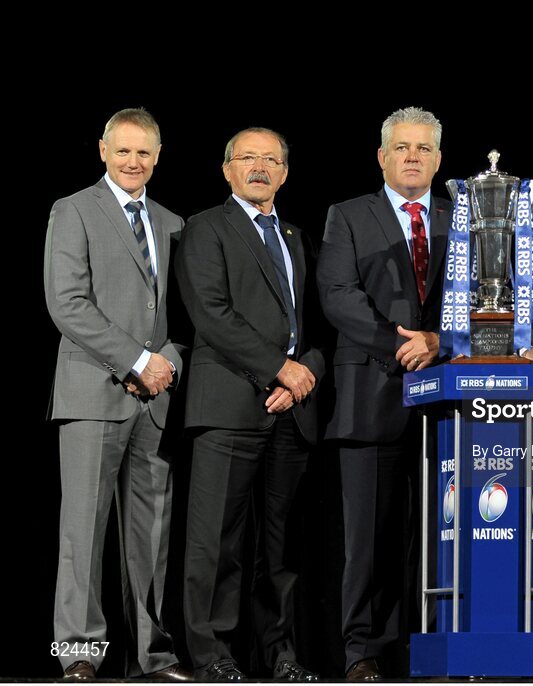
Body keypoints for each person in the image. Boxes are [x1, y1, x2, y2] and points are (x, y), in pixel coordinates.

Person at [44, 108, 190, 682]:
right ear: (103, 150)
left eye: (144, 153)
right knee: (83, 530)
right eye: (123, 151)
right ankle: (78, 654)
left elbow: (184, 314)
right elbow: (67, 302)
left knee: (150, 539)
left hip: (156, 399)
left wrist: (166, 365)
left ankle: (151, 658)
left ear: (158, 156)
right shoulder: (73, 209)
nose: (133, 162)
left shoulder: (174, 222)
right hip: (92, 392)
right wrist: (137, 360)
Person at [176, 127, 323, 682]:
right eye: (247, 159)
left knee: (279, 549)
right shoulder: (205, 228)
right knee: (216, 541)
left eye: (271, 160)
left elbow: (315, 324)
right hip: (229, 405)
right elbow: (211, 313)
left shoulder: (296, 236)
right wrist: (277, 368)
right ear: (227, 170)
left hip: (291, 410)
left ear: (285, 173)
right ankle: (211, 654)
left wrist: (303, 373)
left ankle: (280, 653)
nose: (259, 167)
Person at [316, 106, 450, 681]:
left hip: (448, 401)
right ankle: (362, 653)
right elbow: (338, 294)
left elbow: (478, 298)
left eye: (424, 148)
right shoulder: (347, 215)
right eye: (402, 148)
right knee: (366, 544)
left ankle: (427, 649)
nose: (413, 156)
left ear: (439, 159)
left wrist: (437, 341)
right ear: (382, 156)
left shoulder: (462, 218)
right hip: (370, 396)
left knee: (436, 537)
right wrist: (401, 344)